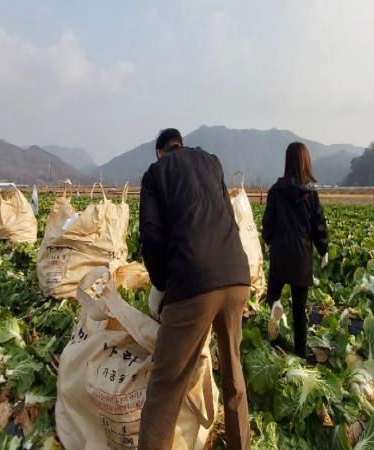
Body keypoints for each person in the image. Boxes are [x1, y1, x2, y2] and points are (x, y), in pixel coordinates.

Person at [138, 128, 251, 450]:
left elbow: (151, 236)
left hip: (194, 282)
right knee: (233, 372)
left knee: (165, 388)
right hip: (237, 276)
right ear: (180, 145)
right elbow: (229, 217)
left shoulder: (156, 173)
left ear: (159, 152)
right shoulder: (211, 162)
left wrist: (160, 284)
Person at [262, 142, 328, 359]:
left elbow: (268, 221)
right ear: (306, 162)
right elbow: (318, 225)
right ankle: (300, 353)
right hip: (301, 256)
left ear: (287, 162)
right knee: (300, 310)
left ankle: (276, 307)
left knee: (272, 294)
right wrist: (323, 249)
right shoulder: (311, 194)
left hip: (280, 253)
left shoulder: (275, 191)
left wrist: (267, 240)